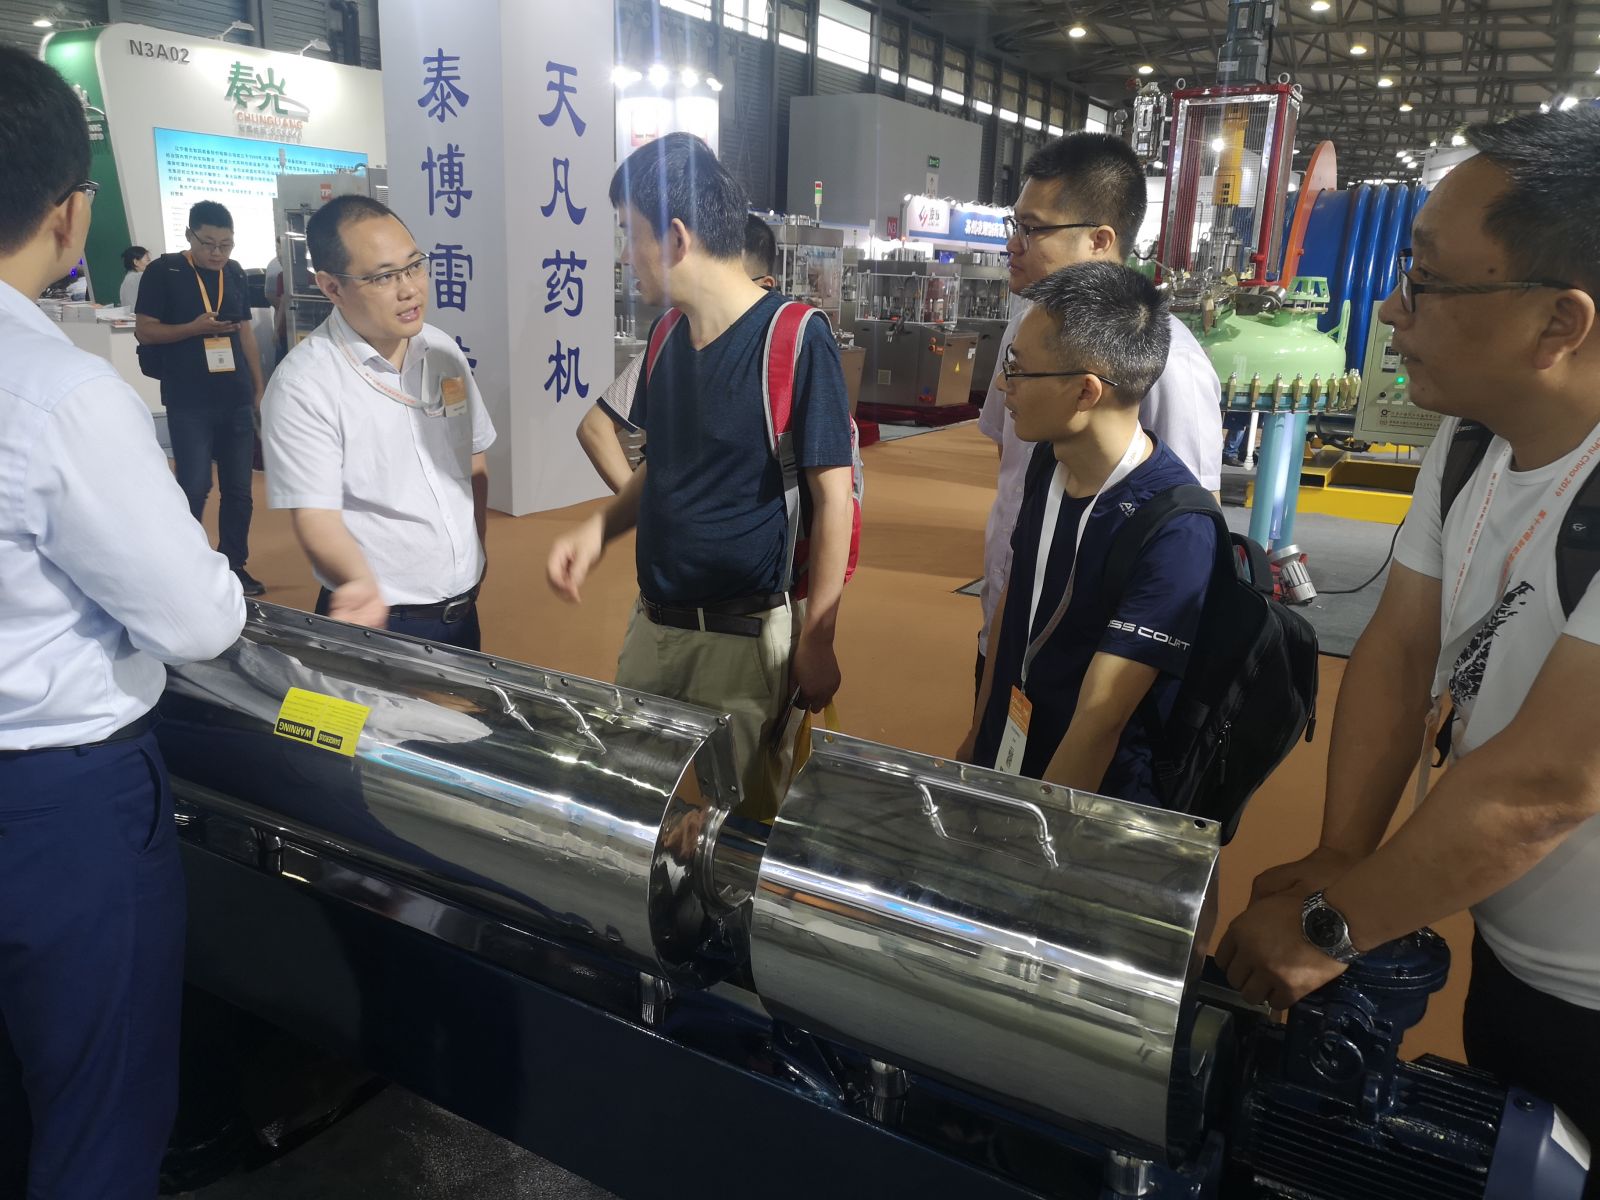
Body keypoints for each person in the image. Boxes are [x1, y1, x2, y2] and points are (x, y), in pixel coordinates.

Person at [1216, 108, 1600, 1175]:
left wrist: (1335, 925)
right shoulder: (1473, 441)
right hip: (1518, 955)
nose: (1392, 310)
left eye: (1426, 281)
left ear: (1559, 322)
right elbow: (1395, 649)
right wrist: (1345, 853)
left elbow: (1550, 784)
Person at [0, 45, 246, 1199]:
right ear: (70, 212)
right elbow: (194, 618)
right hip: (55, 810)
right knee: (97, 1116)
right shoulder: (55, 392)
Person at [547, 133, 854, 819]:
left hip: (742, 644)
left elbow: (835, 498)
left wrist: (819, 638)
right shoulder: (666, 337)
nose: (625, 256)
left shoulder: (795, 338)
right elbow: (663, 469)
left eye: (629, 234)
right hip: (653, 626)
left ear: (676, 238)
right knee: (639, 806)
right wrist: (599, 530)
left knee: (730, 827)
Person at [957, 262, 1215, 803]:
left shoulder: (1176, 530)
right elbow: (1015, 602)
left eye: (1018, 369)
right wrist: (979, 738)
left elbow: (1101, 721)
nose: (1003, 385)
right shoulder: (1049, 461)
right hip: (1011, 757)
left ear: (1085, 392)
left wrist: (1037, 827)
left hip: (1091, 804)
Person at [974, 133, 1222, 691]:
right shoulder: (1023, 331)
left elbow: (1186, 521)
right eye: (1014, 225)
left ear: (1099, 240)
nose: (1013, 244)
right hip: (1010, 624)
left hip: (1094, 661)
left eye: (1032, 229)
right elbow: (1009, 462)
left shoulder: (1171, 364)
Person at [261, 194, 494, 651]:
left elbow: (473, 458)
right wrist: (357, 581)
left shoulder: (443, 352)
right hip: (378, 619)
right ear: (331, 287)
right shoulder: (305, 384)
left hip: (462, 606)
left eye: (414, 266)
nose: (410, 289)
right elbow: (314, 513)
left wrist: (477, 554)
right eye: (384, 276)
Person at [578, 212, 780, 493]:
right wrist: (639, 508)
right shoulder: (669, 339)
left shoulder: (787, 346)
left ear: (765, 286)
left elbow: (831, 491)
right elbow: (594, 428)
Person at [135, 200, 267, 596]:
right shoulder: (164, 271)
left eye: (225, 244)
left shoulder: (235, 272)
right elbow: (145, 331)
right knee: (194, 486)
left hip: (235, 396)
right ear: (189, 235)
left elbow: (245, 333)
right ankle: (186, 564)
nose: (217, 253)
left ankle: (234, 564)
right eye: (208, 243)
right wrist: (193, 328)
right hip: (188, 398)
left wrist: (258, 387)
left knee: (239, 490)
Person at [119, 243, 149, 308]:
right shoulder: (139, 277)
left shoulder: (128, 278)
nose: (150, 263)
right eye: (148, 260)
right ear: (136, 262)